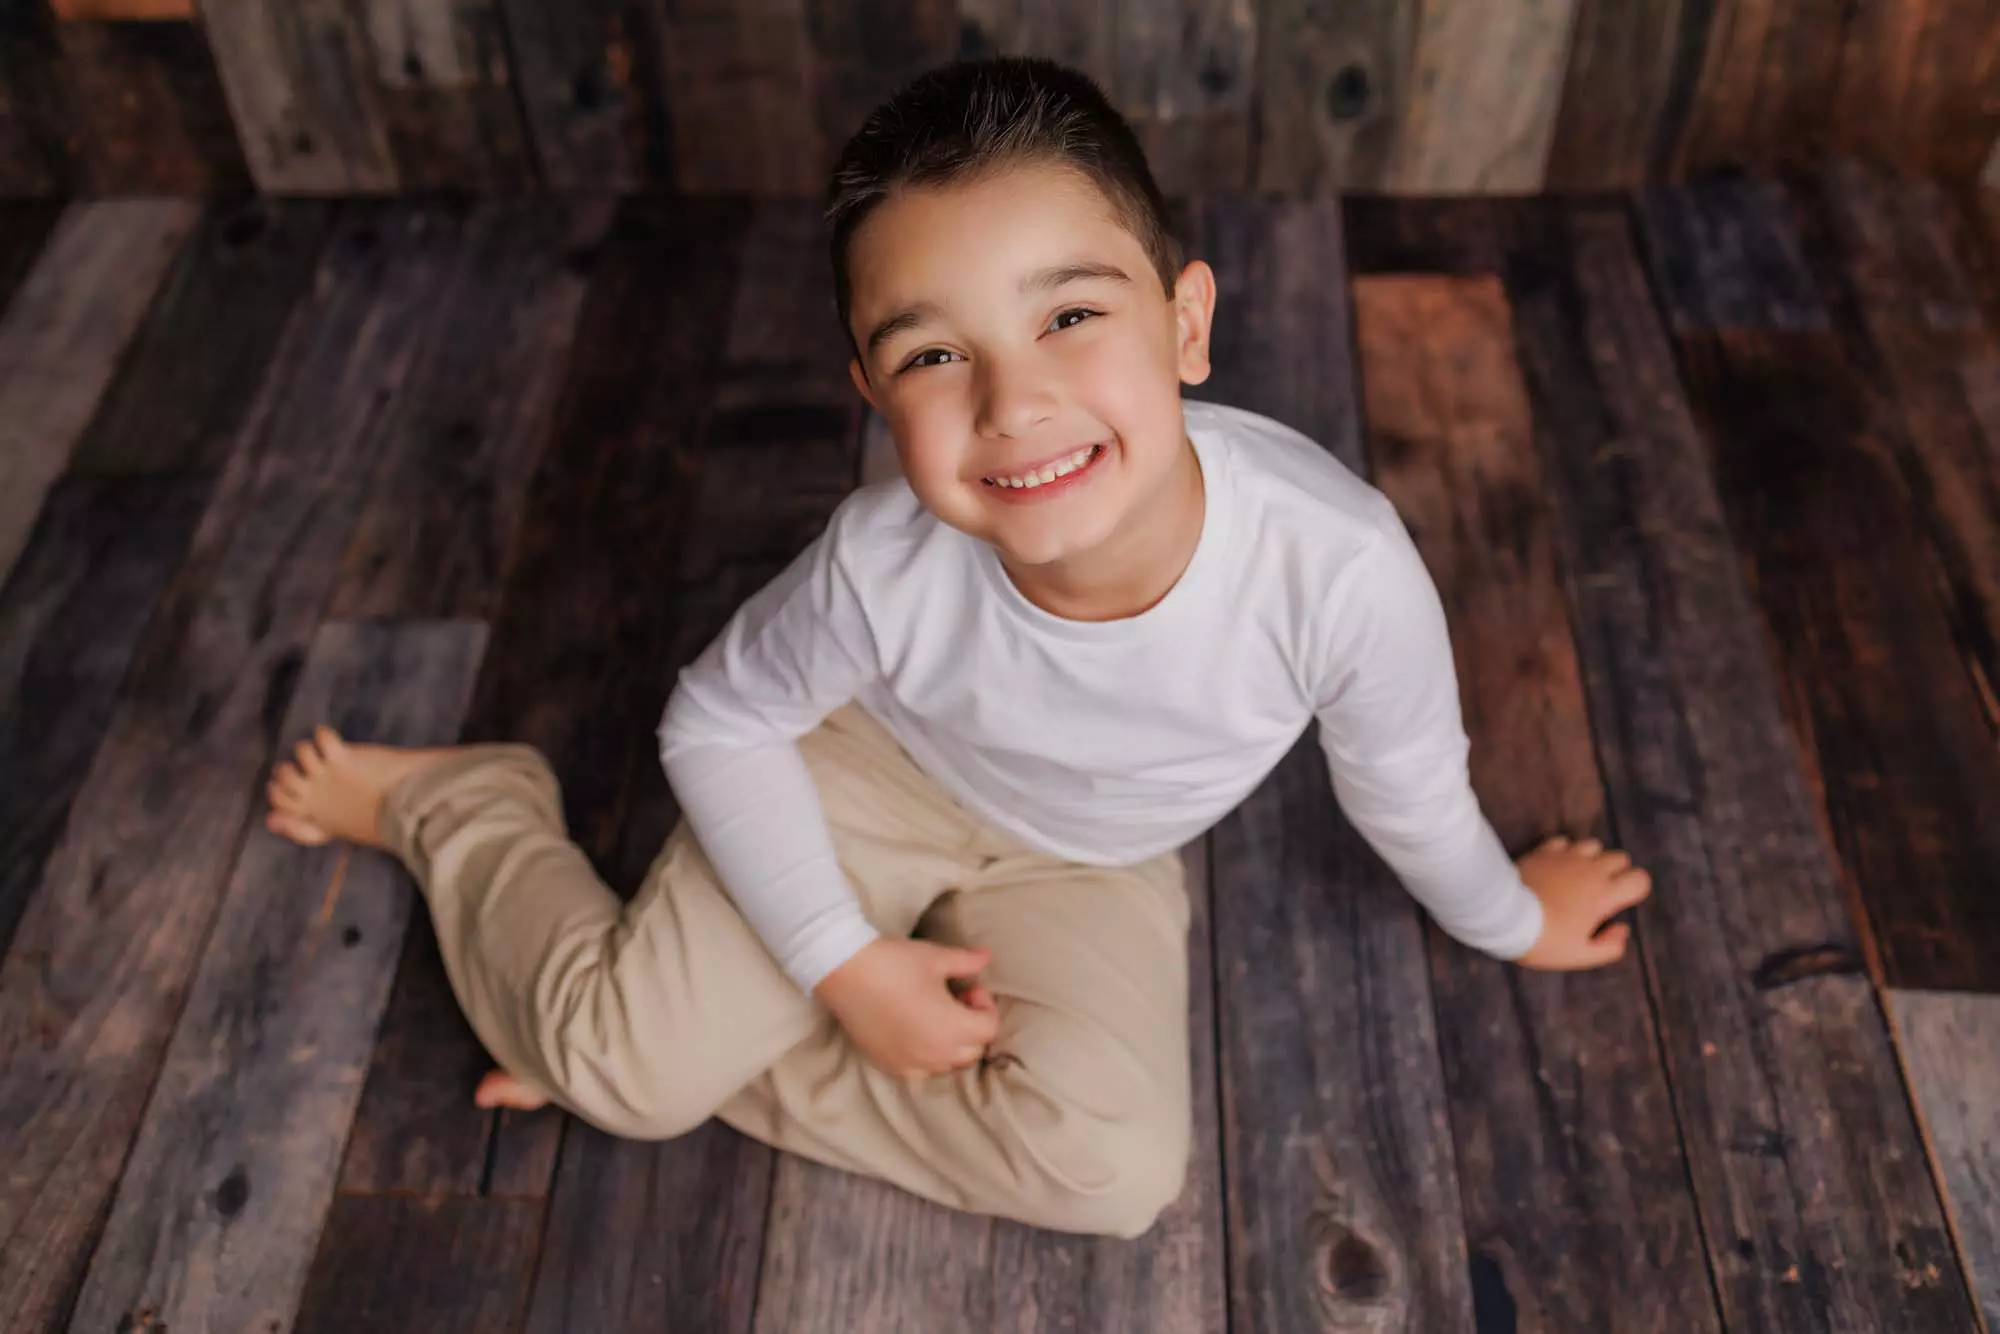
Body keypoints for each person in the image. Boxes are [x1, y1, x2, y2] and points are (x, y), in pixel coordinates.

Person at [264, 55, 1652, 1239]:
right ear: (873, 393)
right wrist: (840, 959)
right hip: (868, 777)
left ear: (1185, 323)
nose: (1012, 402)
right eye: (934, 355)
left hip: (1091, 851)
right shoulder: (884, 562)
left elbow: (1409, 790)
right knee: (622, 1064)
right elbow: (718, 723)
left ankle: (672, 1044)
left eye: (1070, 317)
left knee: (1117, 1170)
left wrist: (1510, 918)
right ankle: (468, 808)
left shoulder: (1339, 570)